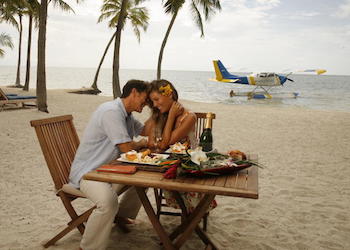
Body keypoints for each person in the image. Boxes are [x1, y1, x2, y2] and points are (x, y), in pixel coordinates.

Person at [68, 79, 149, 250]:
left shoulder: (126, 114)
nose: (147, 102)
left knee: (143, 180)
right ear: (134, 92)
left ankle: (122, 216)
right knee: (108, 202)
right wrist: (140, 144)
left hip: (108, 170)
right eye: (146, 98)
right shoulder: (111, 111)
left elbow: (146, 131)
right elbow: (126, 148)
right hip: (88, 172)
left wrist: (161, 112)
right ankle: (88, 247)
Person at [144, 79, 217, 212]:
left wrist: (171, 115)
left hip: (189, 166)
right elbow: (151, 143)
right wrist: (157, 142)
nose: (154, 105)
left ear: (169, 95)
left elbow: (166, 143)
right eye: (152, 101)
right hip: (165, 164)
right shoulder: (159, 115)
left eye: (156, 99)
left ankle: (191, 214)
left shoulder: (189, 117)